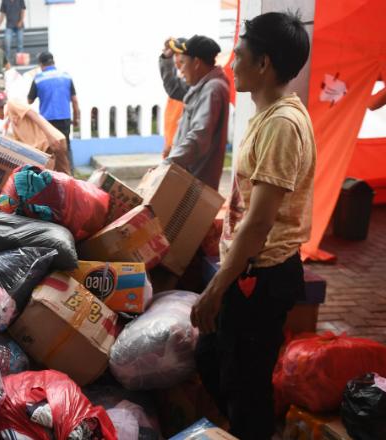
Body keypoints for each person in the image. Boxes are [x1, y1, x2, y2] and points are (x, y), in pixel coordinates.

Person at [192, 12, 314, 440]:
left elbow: (261, 222)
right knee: (216, 360)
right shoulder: (269, 115)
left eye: (238, 54)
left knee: (245, 388)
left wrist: (215, 288)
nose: (231, 63)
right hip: (248, 271)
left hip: (260, 277)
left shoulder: (282, 124)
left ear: (263, 64)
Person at [159, 35, 230, 190]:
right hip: (189, 176)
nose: (181, 70)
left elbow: (199, 136)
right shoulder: (202, 85)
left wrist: (168, 164)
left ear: (196, 63)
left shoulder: (212, 90)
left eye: (183, 63)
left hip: (195, 182)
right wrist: (165, 58)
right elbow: (174, 87)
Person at [0, 90, 71, 174]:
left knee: (63, 179)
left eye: (1, 106)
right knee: (59, 181)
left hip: (50, 142)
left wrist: (50, 137)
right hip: (44, 148)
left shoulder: (11, 104)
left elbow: (33, 115)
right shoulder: (10, 119)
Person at [28, 51, 79, 168]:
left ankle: (51, 176)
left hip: (47, 121)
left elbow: (29, 101)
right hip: (64, 118)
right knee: (66, 147)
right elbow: (75, 100)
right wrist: (76, 118)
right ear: (53, 62)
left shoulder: (38, 79)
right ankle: (70, 175)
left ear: (41, 64)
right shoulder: (66, 76)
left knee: (49, 149)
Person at [163, 38, 187, 158]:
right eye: (175, 55)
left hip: (176, 147)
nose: (177, 59)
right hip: (172, 144)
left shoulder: (187, 84)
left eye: (179, 54)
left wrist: (169, 144)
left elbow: (176, 119)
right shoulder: (182, 80)